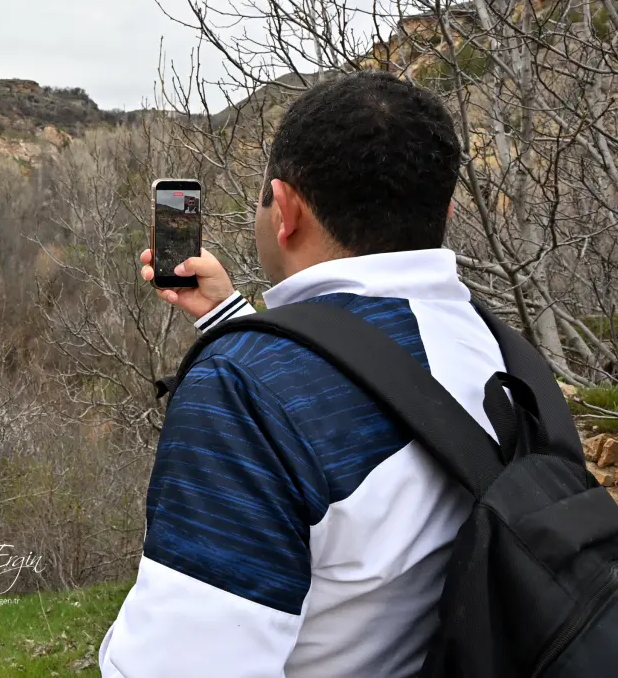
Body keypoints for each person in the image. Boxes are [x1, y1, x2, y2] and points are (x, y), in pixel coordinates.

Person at [99, 71, 494, 677]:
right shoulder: (494, 347)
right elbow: (379, 389)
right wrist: (231, 320)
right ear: (441, 210)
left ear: (284, 211)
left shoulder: (244, 399)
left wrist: (248, 358)